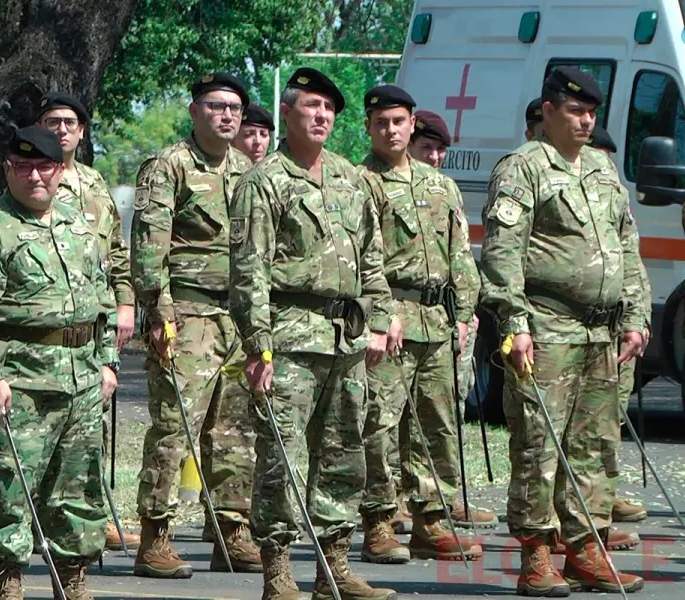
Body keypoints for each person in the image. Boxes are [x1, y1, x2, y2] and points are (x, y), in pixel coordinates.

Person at [230, 67, 397, 600]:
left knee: (344, 452)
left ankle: (335, 568)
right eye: (311, 106)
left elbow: (372, 258)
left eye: (329, 109)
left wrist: (378, 319)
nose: (322, 116)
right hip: (289, 336)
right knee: (281, 457)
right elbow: (249, 270)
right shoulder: (264, 181)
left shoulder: (351, 179)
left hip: (345, 338)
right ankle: (278, 569)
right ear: (287, 112)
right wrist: (259, 346)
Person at [481, 66, 648, 595]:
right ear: (548, 111)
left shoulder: (601, 166)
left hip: (601, 332)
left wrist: (636, 317)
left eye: (591, 113)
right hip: (547, 325)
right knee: (537, 445)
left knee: (595, 445)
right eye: (576, 111)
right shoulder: (522, 169)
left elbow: (628, 247)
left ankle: (586, 549)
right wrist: (514, 323)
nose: (586, 120)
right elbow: (502, 253)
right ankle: (536, 554)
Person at [0, 125, 116, 600]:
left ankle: (73, 581)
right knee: (8, 492)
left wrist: (108, 362)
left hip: (81, 377)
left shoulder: (76, 221)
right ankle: (8, 585)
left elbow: (102, 297)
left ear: (60, 170)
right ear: (7, 169)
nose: (35, 176)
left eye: (45, 166)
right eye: (23, 167)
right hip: (20, 381)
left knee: (78, 489)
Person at [130, 72, 259, 578]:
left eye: (233, 108)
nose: (225, 115)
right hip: (187, 315)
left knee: (235, 431)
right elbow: (148, 252)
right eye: (215, 106)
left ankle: (231, 533)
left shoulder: (249, 169)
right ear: (194, 111)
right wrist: (159, 314)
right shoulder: (170, 166)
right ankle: (155, 537)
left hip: (237, 317)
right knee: (175, 429)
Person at [358, 85, 493, 566]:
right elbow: (360, 260)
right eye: (381, 122)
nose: (391, 130)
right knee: (381, 424)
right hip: (391, 317)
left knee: (438, 425)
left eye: (398, 121)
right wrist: (379, 313)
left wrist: (464, 315)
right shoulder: (360, 183)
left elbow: (461, 254)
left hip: (438, 322)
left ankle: (432, 520)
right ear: (369, 127)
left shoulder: (441, 185)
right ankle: (377, 521)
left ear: (412, 123)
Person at [36, 91, 140, 551]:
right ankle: (40, 520)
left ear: (82, 131)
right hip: (48, 317)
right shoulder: (33, 177)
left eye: (70, 122)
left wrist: (126, 303)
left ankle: (91, 517)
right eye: (52, 121)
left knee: (92, 422)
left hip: (96, 317)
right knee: (43, 425)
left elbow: (116, 250)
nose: (62, 129)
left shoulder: (95, 184)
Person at [587, 126, 651, 528]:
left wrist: (639, 319)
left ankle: (603, 497)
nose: (606, 167)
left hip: (618, 322)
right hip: (573, 327)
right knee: (581, 426)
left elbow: (633, 264)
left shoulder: (616, 201)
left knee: (610, 417)